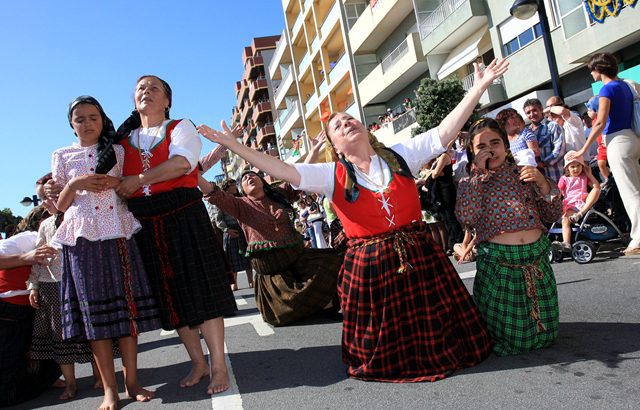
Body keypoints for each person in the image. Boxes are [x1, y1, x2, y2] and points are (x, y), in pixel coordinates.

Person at [197, 58, 509, 382]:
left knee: (434, 318)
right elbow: (281, 170)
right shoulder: (331, 175)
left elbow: (443, 133)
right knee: (383, 330)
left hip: (418, 252)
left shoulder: (401, 154)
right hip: (370, 261)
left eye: (349, 119)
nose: (346, 123)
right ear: (335, 146)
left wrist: (479, 86)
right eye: (338, 126)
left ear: (363, 129)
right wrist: (235, 146)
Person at [115, 75, 237, 395]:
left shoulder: (180, 127)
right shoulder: (121, 141)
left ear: (167, 101)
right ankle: (197, 361)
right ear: (134, 100)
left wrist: (138, 178)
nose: (147, 92)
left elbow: (182, 164)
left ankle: (219, 365)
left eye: (155, 88)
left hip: (182, 212)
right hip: (145, 220)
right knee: (171, 295)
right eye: (141, 88)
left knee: (202, 290)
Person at [51, 96, 161, 410]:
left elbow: (131, 186)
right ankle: (109, 390)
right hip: (81, 239)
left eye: (93, 117)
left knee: (126, 313)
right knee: (95, 316)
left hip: (118, 232)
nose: (87, 123)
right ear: (71, 124)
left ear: (102, 119)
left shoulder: (118, 150)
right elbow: (59, 206)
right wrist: (76, 182)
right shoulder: (61, 155)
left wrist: (115, 181)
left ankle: (132, 382)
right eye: (80, 119)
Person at [455, 118, 562, 356]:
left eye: (495, 142)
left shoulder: (525, 173)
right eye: (481, 146)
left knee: (547, 334)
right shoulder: (469, 182)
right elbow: (467, 217)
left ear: (506, 146)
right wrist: (479, 178)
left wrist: (543, 182)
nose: (490, 149)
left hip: (536, 260)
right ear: (472, 152)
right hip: (499, 265)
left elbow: (553, 212)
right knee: (510, 336)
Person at [200, 171, 342, 326]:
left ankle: (327, 305)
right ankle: (308, 306)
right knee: (280, 315)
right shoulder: (240, 204)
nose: (249, 177)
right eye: (244, 178)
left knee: (334, 261)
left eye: (253, 175)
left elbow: (297, 175)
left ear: (262, 181)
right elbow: (213, 193)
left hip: (296, 256)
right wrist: (193, 174)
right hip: (271, 269)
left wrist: (318, 149)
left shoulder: (278, 195)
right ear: (242, 189)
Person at [28, 175, 100, 401]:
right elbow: (37, 258)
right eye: (43, 199)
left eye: (50, 197)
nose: (46, 203)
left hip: (80, 283)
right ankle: (70, 384)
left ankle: (100, 376)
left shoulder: (78, 217)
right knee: (61, 338)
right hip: (52, 286)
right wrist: (33, 286)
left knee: (92, 332)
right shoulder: (45, 225)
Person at [570, 53, 640, 256]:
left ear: (599, 69)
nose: (591, 73)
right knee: (636, 189)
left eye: (592, 69)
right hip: (633, 138)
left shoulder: (606, 89)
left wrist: (583, 150)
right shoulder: (627, 85)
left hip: (618, 141)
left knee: (631, 193)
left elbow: (600, 122)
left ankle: (637, 239)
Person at [0, 207, 62, 408]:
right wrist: (24, 258)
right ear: (42, 221)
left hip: (28, 309)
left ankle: (45, 378)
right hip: (8, 310)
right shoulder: (28, 238)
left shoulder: (61, 237)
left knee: (47, 350)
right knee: (7, 395)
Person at [552, 151, 601, 251]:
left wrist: (589, 174)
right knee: (566, 219)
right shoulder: (564, 179)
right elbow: (558, 191)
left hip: (583, 203)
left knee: (596, 189)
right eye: (572, 166)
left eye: (578, 166)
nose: (576, 169)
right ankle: (566, 243)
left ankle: (580, 214)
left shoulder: (584, 177)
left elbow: (597, 187)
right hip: (570, 204)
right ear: (567, 168)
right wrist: (553, 197)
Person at [211, 178, 254, 290]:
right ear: (227, 188)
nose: (235, 187)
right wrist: (227, 230)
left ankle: (251, 281)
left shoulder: (242, 199)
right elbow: (218, 219)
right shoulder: (221, 201)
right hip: (230, 231)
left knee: (247, 256)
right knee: (231, 259)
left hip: (242, 230)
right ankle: (234, 282)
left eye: (235, 185)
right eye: (232, 185)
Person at [524, 98, 565, 182]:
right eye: (528, 113)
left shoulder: (552, 126)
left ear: (541, 110)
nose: (532, 114)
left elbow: (560, 149)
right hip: (539, 181)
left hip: (556, 176)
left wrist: (543, 163)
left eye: (534, 110)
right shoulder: (526, 133)